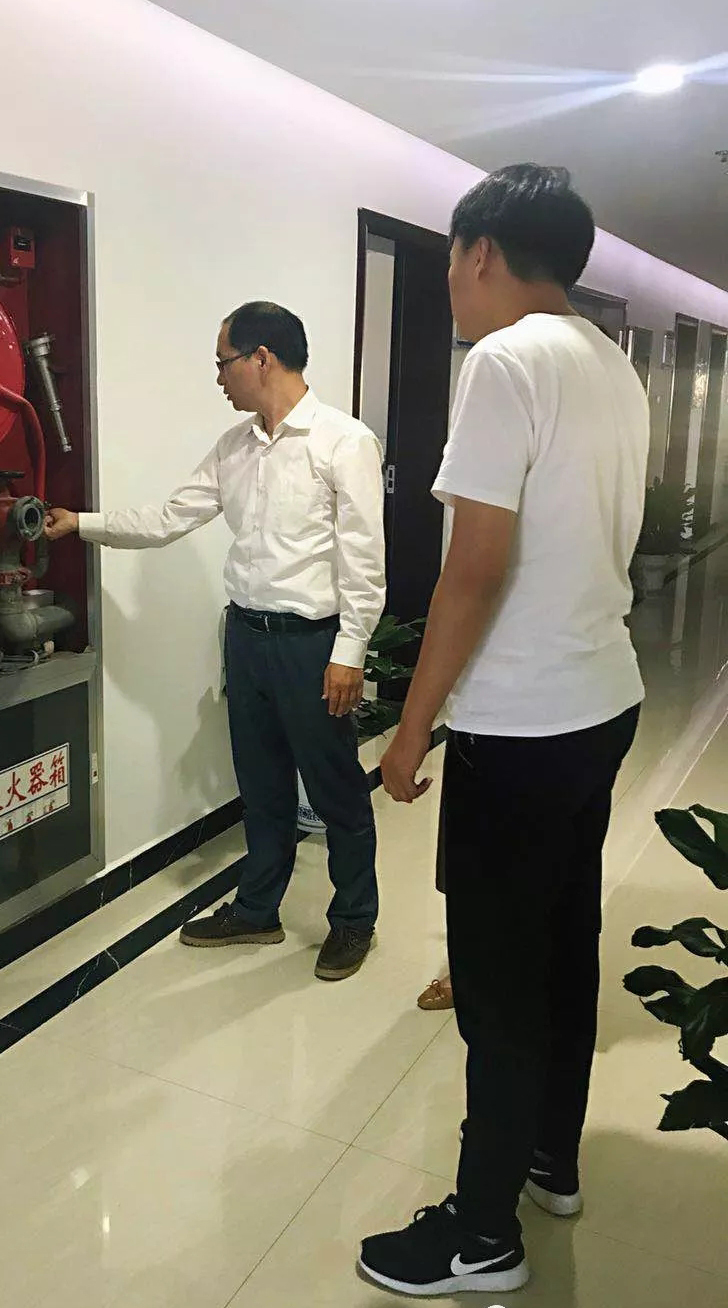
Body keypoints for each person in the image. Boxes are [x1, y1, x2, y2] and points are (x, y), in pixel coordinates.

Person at [357, 165, 648, 1296]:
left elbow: (475, 568)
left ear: (479, 251)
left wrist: (409, 729)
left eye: (449, 260)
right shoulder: (612, 367)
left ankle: (482, 1237)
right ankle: (549, 1164)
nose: (450, 283)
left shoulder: (504, 362)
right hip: (600, 700)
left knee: (496, 984)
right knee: (563, 947)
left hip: (522, 725)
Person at [45, 302, 386, 981]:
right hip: (248, 638)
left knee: (335, 788)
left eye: (223, 363)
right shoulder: (235, 447)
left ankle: (354, 919)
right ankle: (258, 909)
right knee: (260, 786)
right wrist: (81, 523)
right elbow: (169, 517)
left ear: (262, 358)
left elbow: (364, 560)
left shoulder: (343, 442)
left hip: (312, 645)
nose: (219, 378)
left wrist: (350, 651)